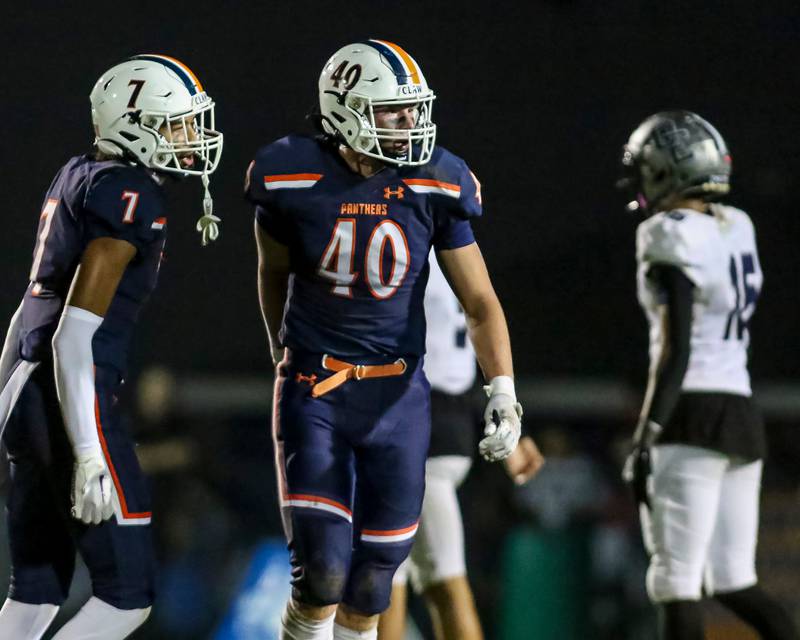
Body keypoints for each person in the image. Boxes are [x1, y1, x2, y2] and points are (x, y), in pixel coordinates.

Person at [248, 40, 534, 640]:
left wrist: (503, 388)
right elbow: (273, 271)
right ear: (345, 111)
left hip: (398, 397)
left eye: (414, 110)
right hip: (316, 390)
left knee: (375, 582)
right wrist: (285, 353)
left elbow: (480, 301)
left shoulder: (437, 181)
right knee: (321, 573)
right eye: (393, 112)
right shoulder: (289, 174)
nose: (412, 125)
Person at [0, 55, 222, 640]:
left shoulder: (77, 172)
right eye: (174, 125)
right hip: (71, 399)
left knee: (36, 591)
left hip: (29, 395)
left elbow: (31, 307)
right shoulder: (127, 194)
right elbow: (74, 334)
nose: (190, 139)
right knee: (127, 597)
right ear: (132, 124)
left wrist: (4, 405)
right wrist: (90, 452)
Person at [620, 110, 798, 640]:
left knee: (674, 580)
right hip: (740, 412)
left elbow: (675, 349)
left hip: (690, 411)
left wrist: (647, 432)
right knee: (732, 580)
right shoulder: (737, 226)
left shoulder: (666, 233)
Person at [378, 252, 542, 640]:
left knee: (391, 575)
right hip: (449, 426)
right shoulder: (456, 255)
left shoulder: (404, 242)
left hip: (416, 425)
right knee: (422, 576)